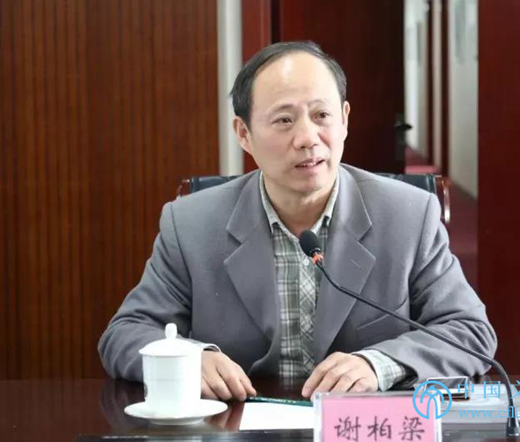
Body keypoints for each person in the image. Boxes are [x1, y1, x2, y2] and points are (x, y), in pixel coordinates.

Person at [99, 41, 497, 402]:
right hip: (240, 425)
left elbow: (469, 332)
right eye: (284, 120)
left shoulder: (409, 215)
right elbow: (126, 333)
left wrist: (379, 364)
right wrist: (191, 358)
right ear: (244, 133)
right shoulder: (192, 224)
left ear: (344, 119)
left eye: (321, 115)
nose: (308, 138)